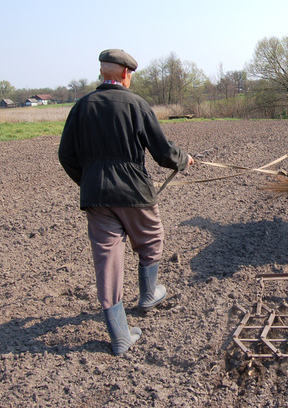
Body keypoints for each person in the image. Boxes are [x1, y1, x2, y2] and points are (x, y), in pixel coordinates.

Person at [58, 49, 194, 356]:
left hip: (96, 197)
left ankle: (120, 336)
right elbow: (161, 151)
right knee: (151, 238)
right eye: (130, 74)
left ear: (103, 74)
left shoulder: (81, 107)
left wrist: (89, 180)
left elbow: (65, 155)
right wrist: (183, 160)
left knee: (107, 262)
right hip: (133, 192)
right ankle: (148, 295)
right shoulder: (136, 104)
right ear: (124, 74)